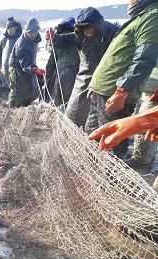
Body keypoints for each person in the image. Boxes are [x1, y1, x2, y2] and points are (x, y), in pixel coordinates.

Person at [87, 0, 158, 159]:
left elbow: (144, 58)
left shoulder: (152, 16)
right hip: (103, 88)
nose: (127, 2)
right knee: (93, 134)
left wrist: (121, 92)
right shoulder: (141, 16)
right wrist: (95, 85)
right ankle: (92, 170)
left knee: (112, 142)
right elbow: (116, 55)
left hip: (114, 91)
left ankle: (109, 180)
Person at [55, 8, 119, 130]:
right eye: (82, 28)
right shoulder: (80, 34)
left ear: (97, 25)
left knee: (103, 116)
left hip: (107, 78)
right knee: (73, 112)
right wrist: (54, 38)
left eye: (88, 27)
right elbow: (63, 40)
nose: (86, 31)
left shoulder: (112, 31)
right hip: (85, 77)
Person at [125, 67, 158, 171]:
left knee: (146, 123)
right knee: (141, 118)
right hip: (148, 84)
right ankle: (145, 156)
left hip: (154, 88)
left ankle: (142, 159)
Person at [8, 18, 45, 108]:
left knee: (26, 89)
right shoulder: (22, 44)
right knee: (16, 90)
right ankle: (11, 109)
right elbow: (24, 61)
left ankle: (23, 105)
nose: (33, 34)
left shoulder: (35, 39)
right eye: (31, 32)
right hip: (16, 67)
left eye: (35, 32)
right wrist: (34, 69)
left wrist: (33, 67)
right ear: (27, 31)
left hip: (28, 67)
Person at [44, 17, 80, 107]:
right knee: (71, 101)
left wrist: (46, 74)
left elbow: (52, 61)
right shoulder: (75, 37)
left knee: (60, 101)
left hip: (63, 75)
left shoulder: (63, 38)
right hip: (72, 74)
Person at [0, 17, 22, 97]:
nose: (10, 30)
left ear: (16, 28)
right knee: (4, 83)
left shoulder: (21, 39)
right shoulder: (4, 40)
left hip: (17, 67)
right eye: (8, 28)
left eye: (11, 28)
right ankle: (4, 98)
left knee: (16, 84)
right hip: (4, 67)